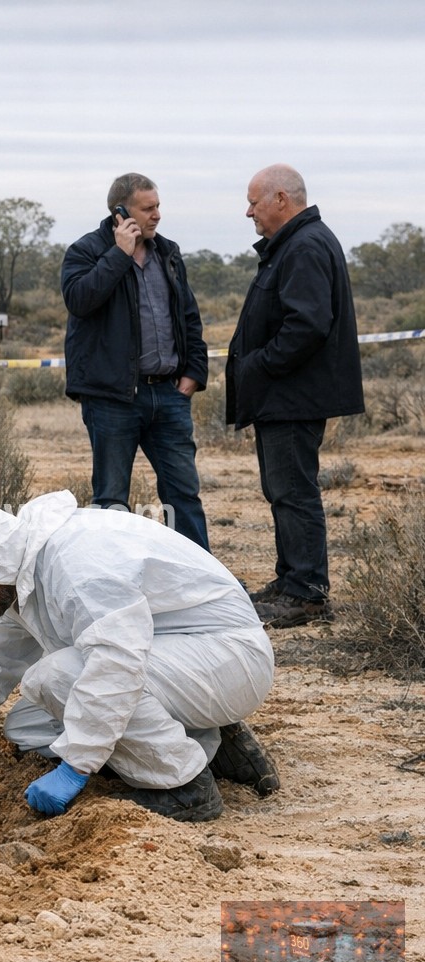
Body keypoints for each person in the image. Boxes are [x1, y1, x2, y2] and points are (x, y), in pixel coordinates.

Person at [0, 491, 279, 822]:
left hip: (227, 658)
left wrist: (76, 767)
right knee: (26, 726)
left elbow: (115, 666)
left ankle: (186, 790)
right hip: (183, 664)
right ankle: (209, 739)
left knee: (58, 677)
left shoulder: (76, 562)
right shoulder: (17, 574)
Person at [227, 165, 364, 628]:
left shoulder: (304, 245)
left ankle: (306, 592)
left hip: (292, 397)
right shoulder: (297, 243)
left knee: (293, 492)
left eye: (254, 202)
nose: (249, 211)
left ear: (281, 198)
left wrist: (259, 365)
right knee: (284, 490)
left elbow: (306, 325)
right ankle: (291, 580)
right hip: (286, 396)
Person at [62, 173, 210, 551]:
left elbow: (188, 316)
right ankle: (112, 579)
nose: (157, 215)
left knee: (184, 495)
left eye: (158, 206)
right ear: (121, 212)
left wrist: (194, 372)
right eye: (148, 208)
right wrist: (119, 254)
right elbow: (80, 300)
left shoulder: (168, 253)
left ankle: (202, 583)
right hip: (113, 399)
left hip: (169, 396)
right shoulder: (86, 251)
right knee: (111, 499)